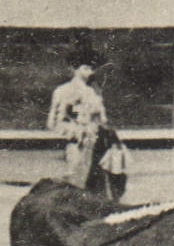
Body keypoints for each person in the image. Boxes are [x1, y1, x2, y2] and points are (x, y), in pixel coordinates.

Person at [46, 43, 127, 200]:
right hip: (78, 142)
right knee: (76, 180)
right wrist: (75, 132)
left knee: (100, 186)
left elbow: (102, 119)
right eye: (86, 67)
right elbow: (54, 122)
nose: (91, 71)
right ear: (74, 69)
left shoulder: (93, 91)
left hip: (98, 143)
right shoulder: (63, 91)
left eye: (92, 67)